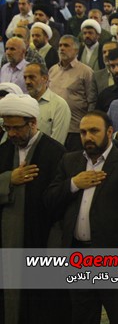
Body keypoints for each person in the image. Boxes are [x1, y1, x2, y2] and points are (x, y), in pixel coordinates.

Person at [45, 110, 118, 324]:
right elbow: (50, 200)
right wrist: (73, 184)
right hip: (78, 255)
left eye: (93, 131)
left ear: (109, 132)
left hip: (115, 258)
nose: (87, 137)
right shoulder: (69, 161)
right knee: (82, 317)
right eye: (83, 132)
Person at [0, 93, 67, 324]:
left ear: (33, 123)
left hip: (42, 238)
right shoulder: (3, 151)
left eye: (16, 128)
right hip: (8, 240)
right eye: (7, 127)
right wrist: (9, 179)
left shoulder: (56, 153)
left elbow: (60, 201)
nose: (11, 134)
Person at [48, 35, 94, 151]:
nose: (62, 48)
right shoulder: (52, 70)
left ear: (76, 50)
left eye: (66, 45)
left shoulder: (86, 71)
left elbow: (92, 100)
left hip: (75, 129)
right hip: (53, 127)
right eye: (60, 45)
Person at [24, 62, 71, 144]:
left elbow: (57, 143)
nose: (27, 81)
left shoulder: (59, 105)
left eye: (32, 77)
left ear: (45, 78)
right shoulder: (22, 103)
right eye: (25, 78)